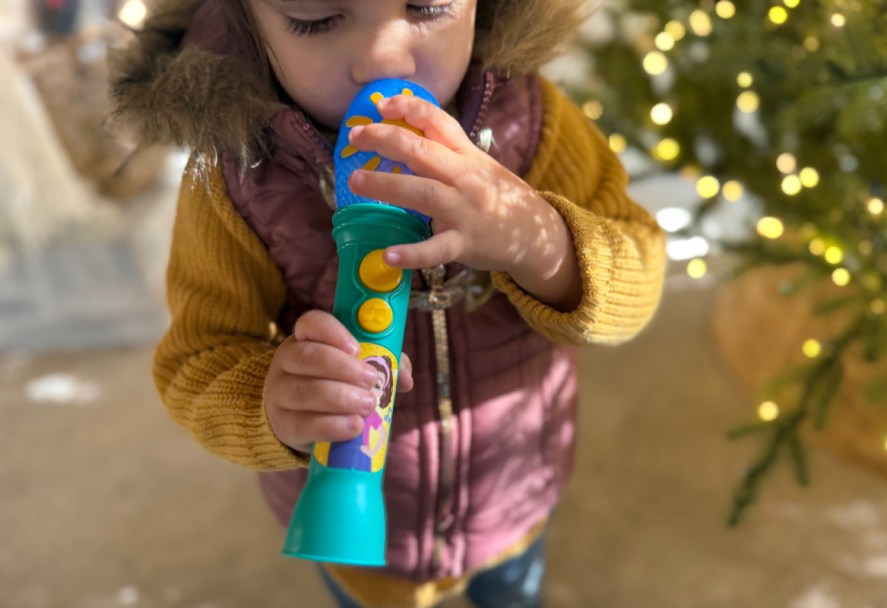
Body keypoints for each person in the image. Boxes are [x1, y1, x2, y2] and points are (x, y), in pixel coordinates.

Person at [109, 0, 667, 606]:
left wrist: (540, 240)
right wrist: (269, 402)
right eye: (316, 20)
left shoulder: (534, 127)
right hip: (354, 529)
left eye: (427, 5)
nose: (383, 58)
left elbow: (639, 276)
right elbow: (198, 359)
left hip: (516, 492)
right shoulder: (235, 176)